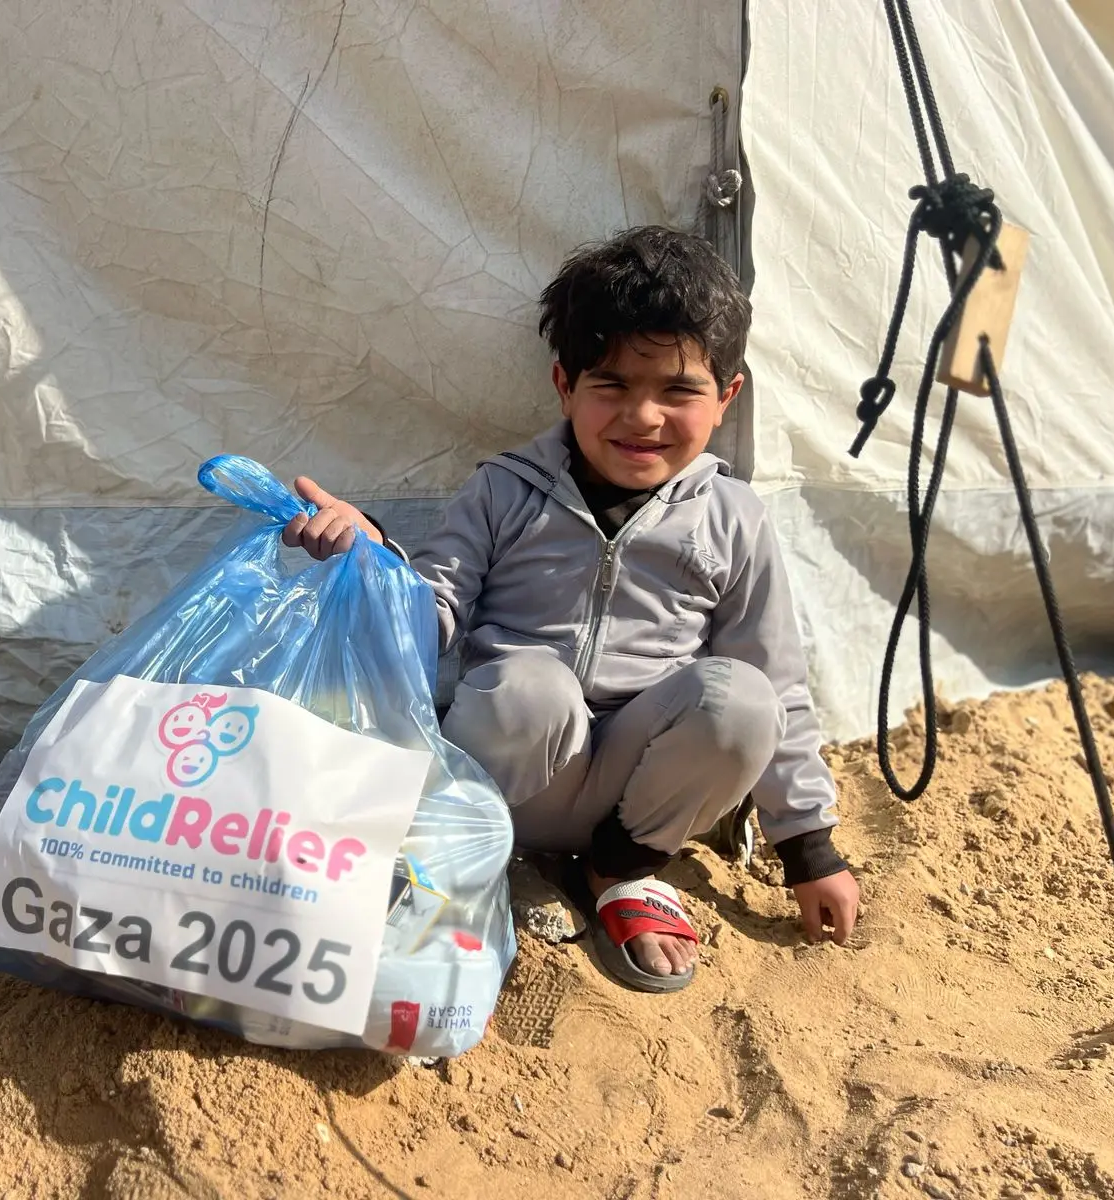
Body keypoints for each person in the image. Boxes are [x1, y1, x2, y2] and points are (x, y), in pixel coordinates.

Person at [281, 226, 859, 993]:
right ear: (565, 385)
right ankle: (490, 862)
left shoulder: (735, 518)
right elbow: (430, 615)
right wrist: (374, 556)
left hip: (642, 799)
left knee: (745, 701)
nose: (642, 416)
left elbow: (778, 681)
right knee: (530, 685)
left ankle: (619, 876)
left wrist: (810, 849)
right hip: (512, 778)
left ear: (726, 397)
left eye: (678, 391)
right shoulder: (503, 491)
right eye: (611, 385)